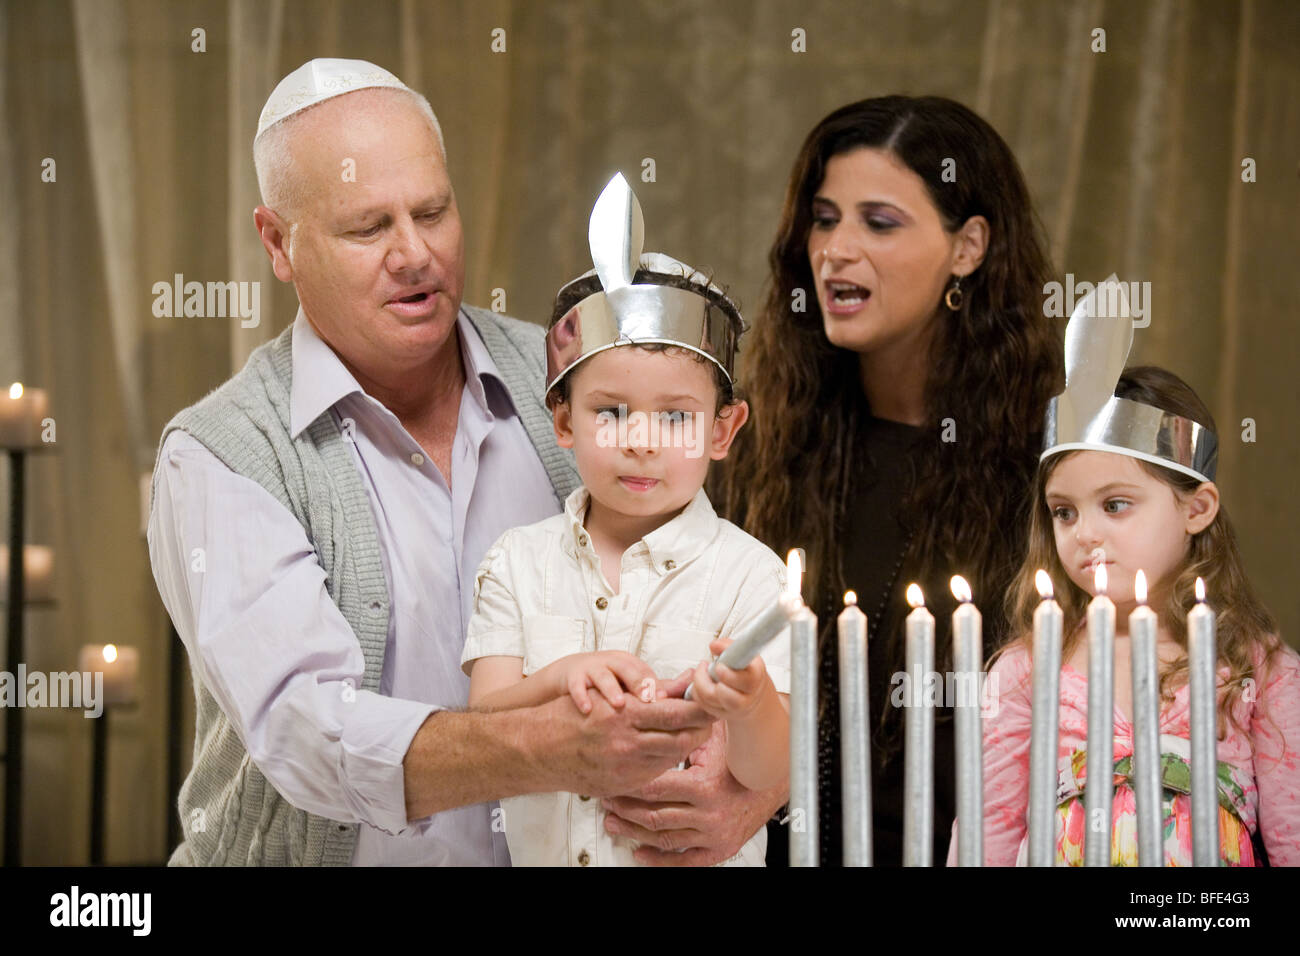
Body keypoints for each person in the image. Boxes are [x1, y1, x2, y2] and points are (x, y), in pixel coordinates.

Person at [146, 59, 739, 865]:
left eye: (433, 211)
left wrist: (742, 795)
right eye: (368, 227)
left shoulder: (572, 385)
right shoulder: (223, 455)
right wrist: (546, 744)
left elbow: (711, 597)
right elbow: (308, 731)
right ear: (279, 242)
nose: (415, 253)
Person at [713, 95, 1062, 865]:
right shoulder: (757, 449)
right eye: (825, 218)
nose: (836, 249)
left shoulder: (1051, 465)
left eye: (879, 222)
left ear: (968, 247)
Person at [461, 175, 790, 866]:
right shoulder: (516, 563)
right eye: (610, 411)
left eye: (676, 416)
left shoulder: (752, 579)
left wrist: (750, 699)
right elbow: (485, 726)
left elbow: (767, 776)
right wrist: (562, 676)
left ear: (723, 430)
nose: (642, 439)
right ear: (563, 422)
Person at [953, 356, 1300, 866]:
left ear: (1196, 509)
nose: (1085, 533)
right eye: (1064, 511)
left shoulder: (1260, 672)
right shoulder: (1026, 672)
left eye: (1114, 504)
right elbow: (986, 836)